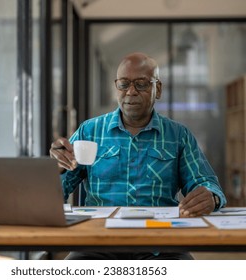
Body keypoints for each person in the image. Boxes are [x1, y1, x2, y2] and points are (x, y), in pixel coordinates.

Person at [49, 52, 227, 260]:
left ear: (157, 89)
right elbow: (54, 194)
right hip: (96, 244)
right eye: (124, 84)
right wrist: (55, 167)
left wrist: (212, 197)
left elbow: (206, 182)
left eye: (141, 84)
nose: (131, 92)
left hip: (162, 246)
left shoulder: (178, 136)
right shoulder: (90, 131)